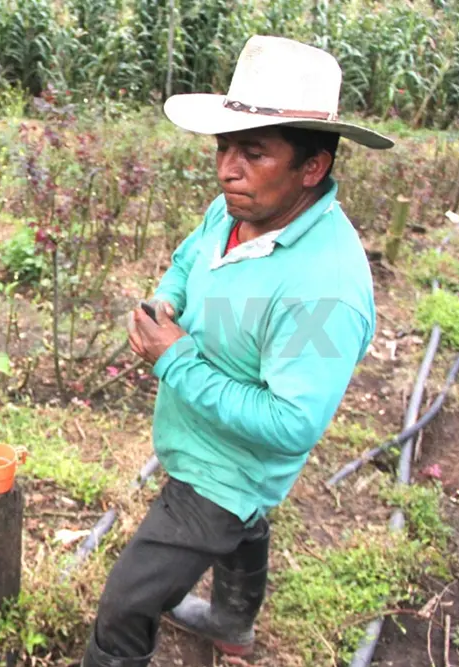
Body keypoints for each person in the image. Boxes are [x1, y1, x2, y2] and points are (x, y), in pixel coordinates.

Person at [80, 35, 394, 666]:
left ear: (313, 166)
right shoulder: (237, 208)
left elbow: (290, 424)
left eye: (253, 152)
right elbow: (190, 257)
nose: (227, 167)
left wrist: (174, 360)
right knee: (245, 530)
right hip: (199, 436)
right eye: (224, 147)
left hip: (226, 471)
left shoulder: (325, 290)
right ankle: (231, 624)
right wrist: (168, 301)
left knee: (125, 603)